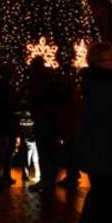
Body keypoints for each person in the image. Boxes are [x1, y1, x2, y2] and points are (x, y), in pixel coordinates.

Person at [74, 41, 112, 223]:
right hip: (107, 150)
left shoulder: (97, 83)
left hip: (105, 150)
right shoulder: (106, 85)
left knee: (102, 196)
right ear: (99, 61)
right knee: (105, 197)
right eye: (110, 59)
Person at [27, 55, 67, 194]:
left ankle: (46, 181)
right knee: (50, 152)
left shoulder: (38, 81)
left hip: (44, 120)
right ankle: (49, 181)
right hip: (52, 120)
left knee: (45, 152)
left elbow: (33, 99)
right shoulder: (52, 78)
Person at [0, 64, 20, 189]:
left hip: (3, 121)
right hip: (5, 121)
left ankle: (2, 175)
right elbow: (10, 103)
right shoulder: (5, 87)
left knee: (5, 149)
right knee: (3, 149)